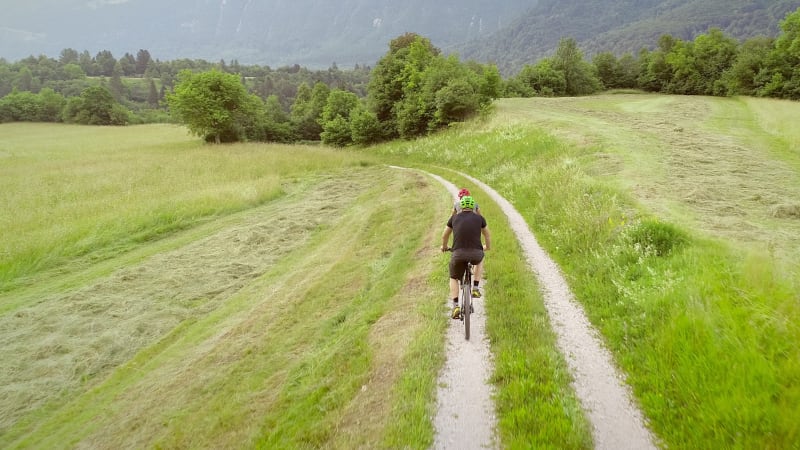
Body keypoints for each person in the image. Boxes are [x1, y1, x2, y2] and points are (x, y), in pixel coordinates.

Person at [441, 195, 491, 319]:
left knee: (453, 277)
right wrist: (487, 247)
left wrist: (444, 247)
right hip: (476, 253)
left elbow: (444, 235)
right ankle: (475, 287)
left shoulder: (453, 218)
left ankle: (456, 305)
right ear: (473, 206)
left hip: (458, 254)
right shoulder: (480, 219)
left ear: (461, 207)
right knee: (480, 259)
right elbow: (487, 235)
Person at [451, 188, 484, 298]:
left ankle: (460, 279)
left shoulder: (456, 205)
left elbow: (452, 217)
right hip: (473, 233)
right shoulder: (475, 205)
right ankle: (475, 285)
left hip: (460, 237)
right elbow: (480, 216)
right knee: (479, 256)